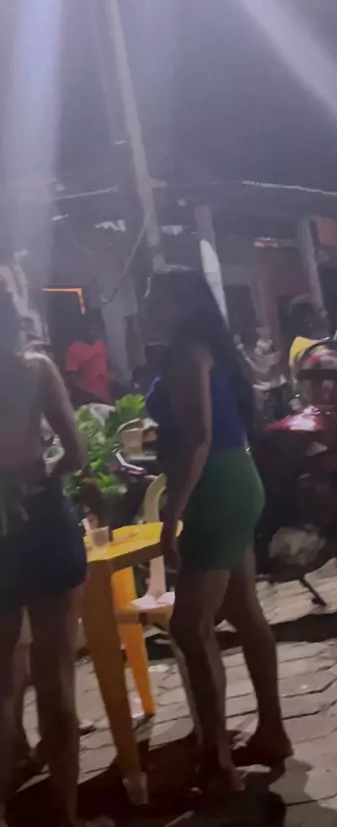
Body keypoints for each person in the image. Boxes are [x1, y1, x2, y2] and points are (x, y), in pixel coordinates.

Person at [144, 267, 291, 794]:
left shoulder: (187, 353)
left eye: (153, 296)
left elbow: (199, 437)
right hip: (235, 477)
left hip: (214, 487)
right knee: (243, 611)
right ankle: (270, 732)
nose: (145, 306)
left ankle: (217, 762)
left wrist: (171, 513)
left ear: (179, 302)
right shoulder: (206, 348)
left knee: (190, 627)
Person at [0, 285, 88, 827]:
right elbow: (76, 453)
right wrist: (43, 470)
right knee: (56, 676)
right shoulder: (35, 371)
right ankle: (65, 811)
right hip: (44, 521)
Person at [65, 313, 110, 406]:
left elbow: (106, 364)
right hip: (89, 400)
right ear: (84, 330)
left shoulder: (101, 343)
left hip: (105, 396)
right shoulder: (74, 349)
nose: (94, 333)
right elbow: (72, 378)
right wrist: (86, 396)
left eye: (97, 329)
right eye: (91, 329)